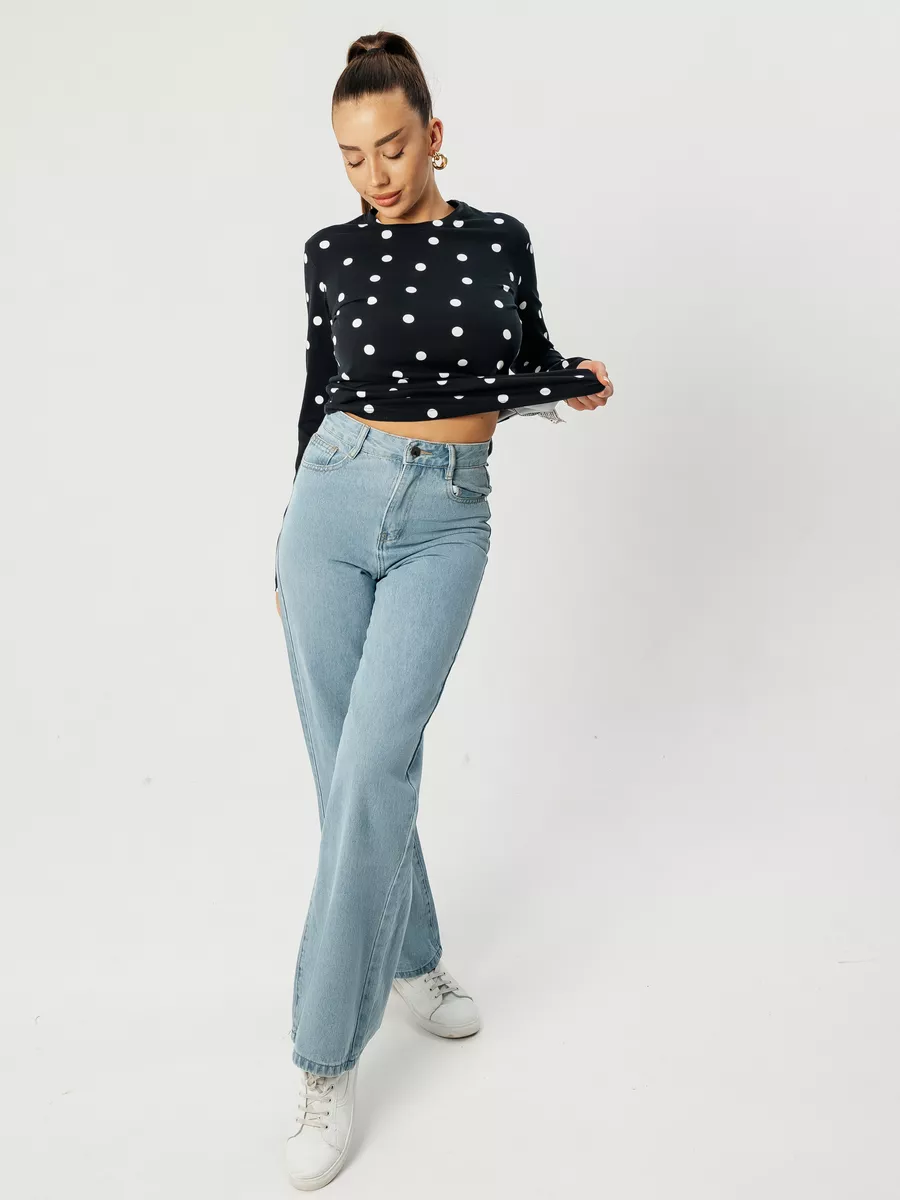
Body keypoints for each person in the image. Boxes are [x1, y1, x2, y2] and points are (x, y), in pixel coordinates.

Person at [274, 29, 613, 1191]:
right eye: (351, 156)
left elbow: (521, 361)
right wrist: (285, 530)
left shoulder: (496, 239)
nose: (374, 175)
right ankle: (413, 957)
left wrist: (569, 381)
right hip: (329, 503)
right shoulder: (330, 254)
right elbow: (321, 390)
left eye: (392, 146)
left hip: (446, 518)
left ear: (434, 134)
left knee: (374, 763)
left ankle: (322, 1058)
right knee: (348, 772)